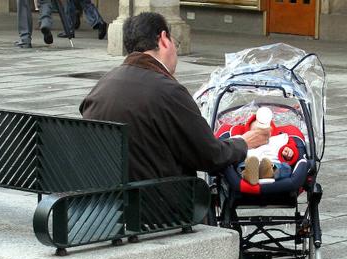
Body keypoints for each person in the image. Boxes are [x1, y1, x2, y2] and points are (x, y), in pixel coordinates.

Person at [79, 12, 270, 181]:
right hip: (160, 207)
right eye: (174, 43)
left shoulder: (101, 86)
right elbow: (211, 156)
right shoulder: (168, 91)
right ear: (163, 39)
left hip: (104, 204)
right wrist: (244, 142)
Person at [216, 106, 301, 185]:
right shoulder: (241, 139)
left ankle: (268, 172)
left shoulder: (279, 139)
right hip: (248, 164)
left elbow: (292, 149)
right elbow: (228, 148)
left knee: (285, 168)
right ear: (248, 133)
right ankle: (250, 174)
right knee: (240, 167)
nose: (259, 136)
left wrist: (288, 153)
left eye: (264, 132)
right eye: (256, 133)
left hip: (273, 164)